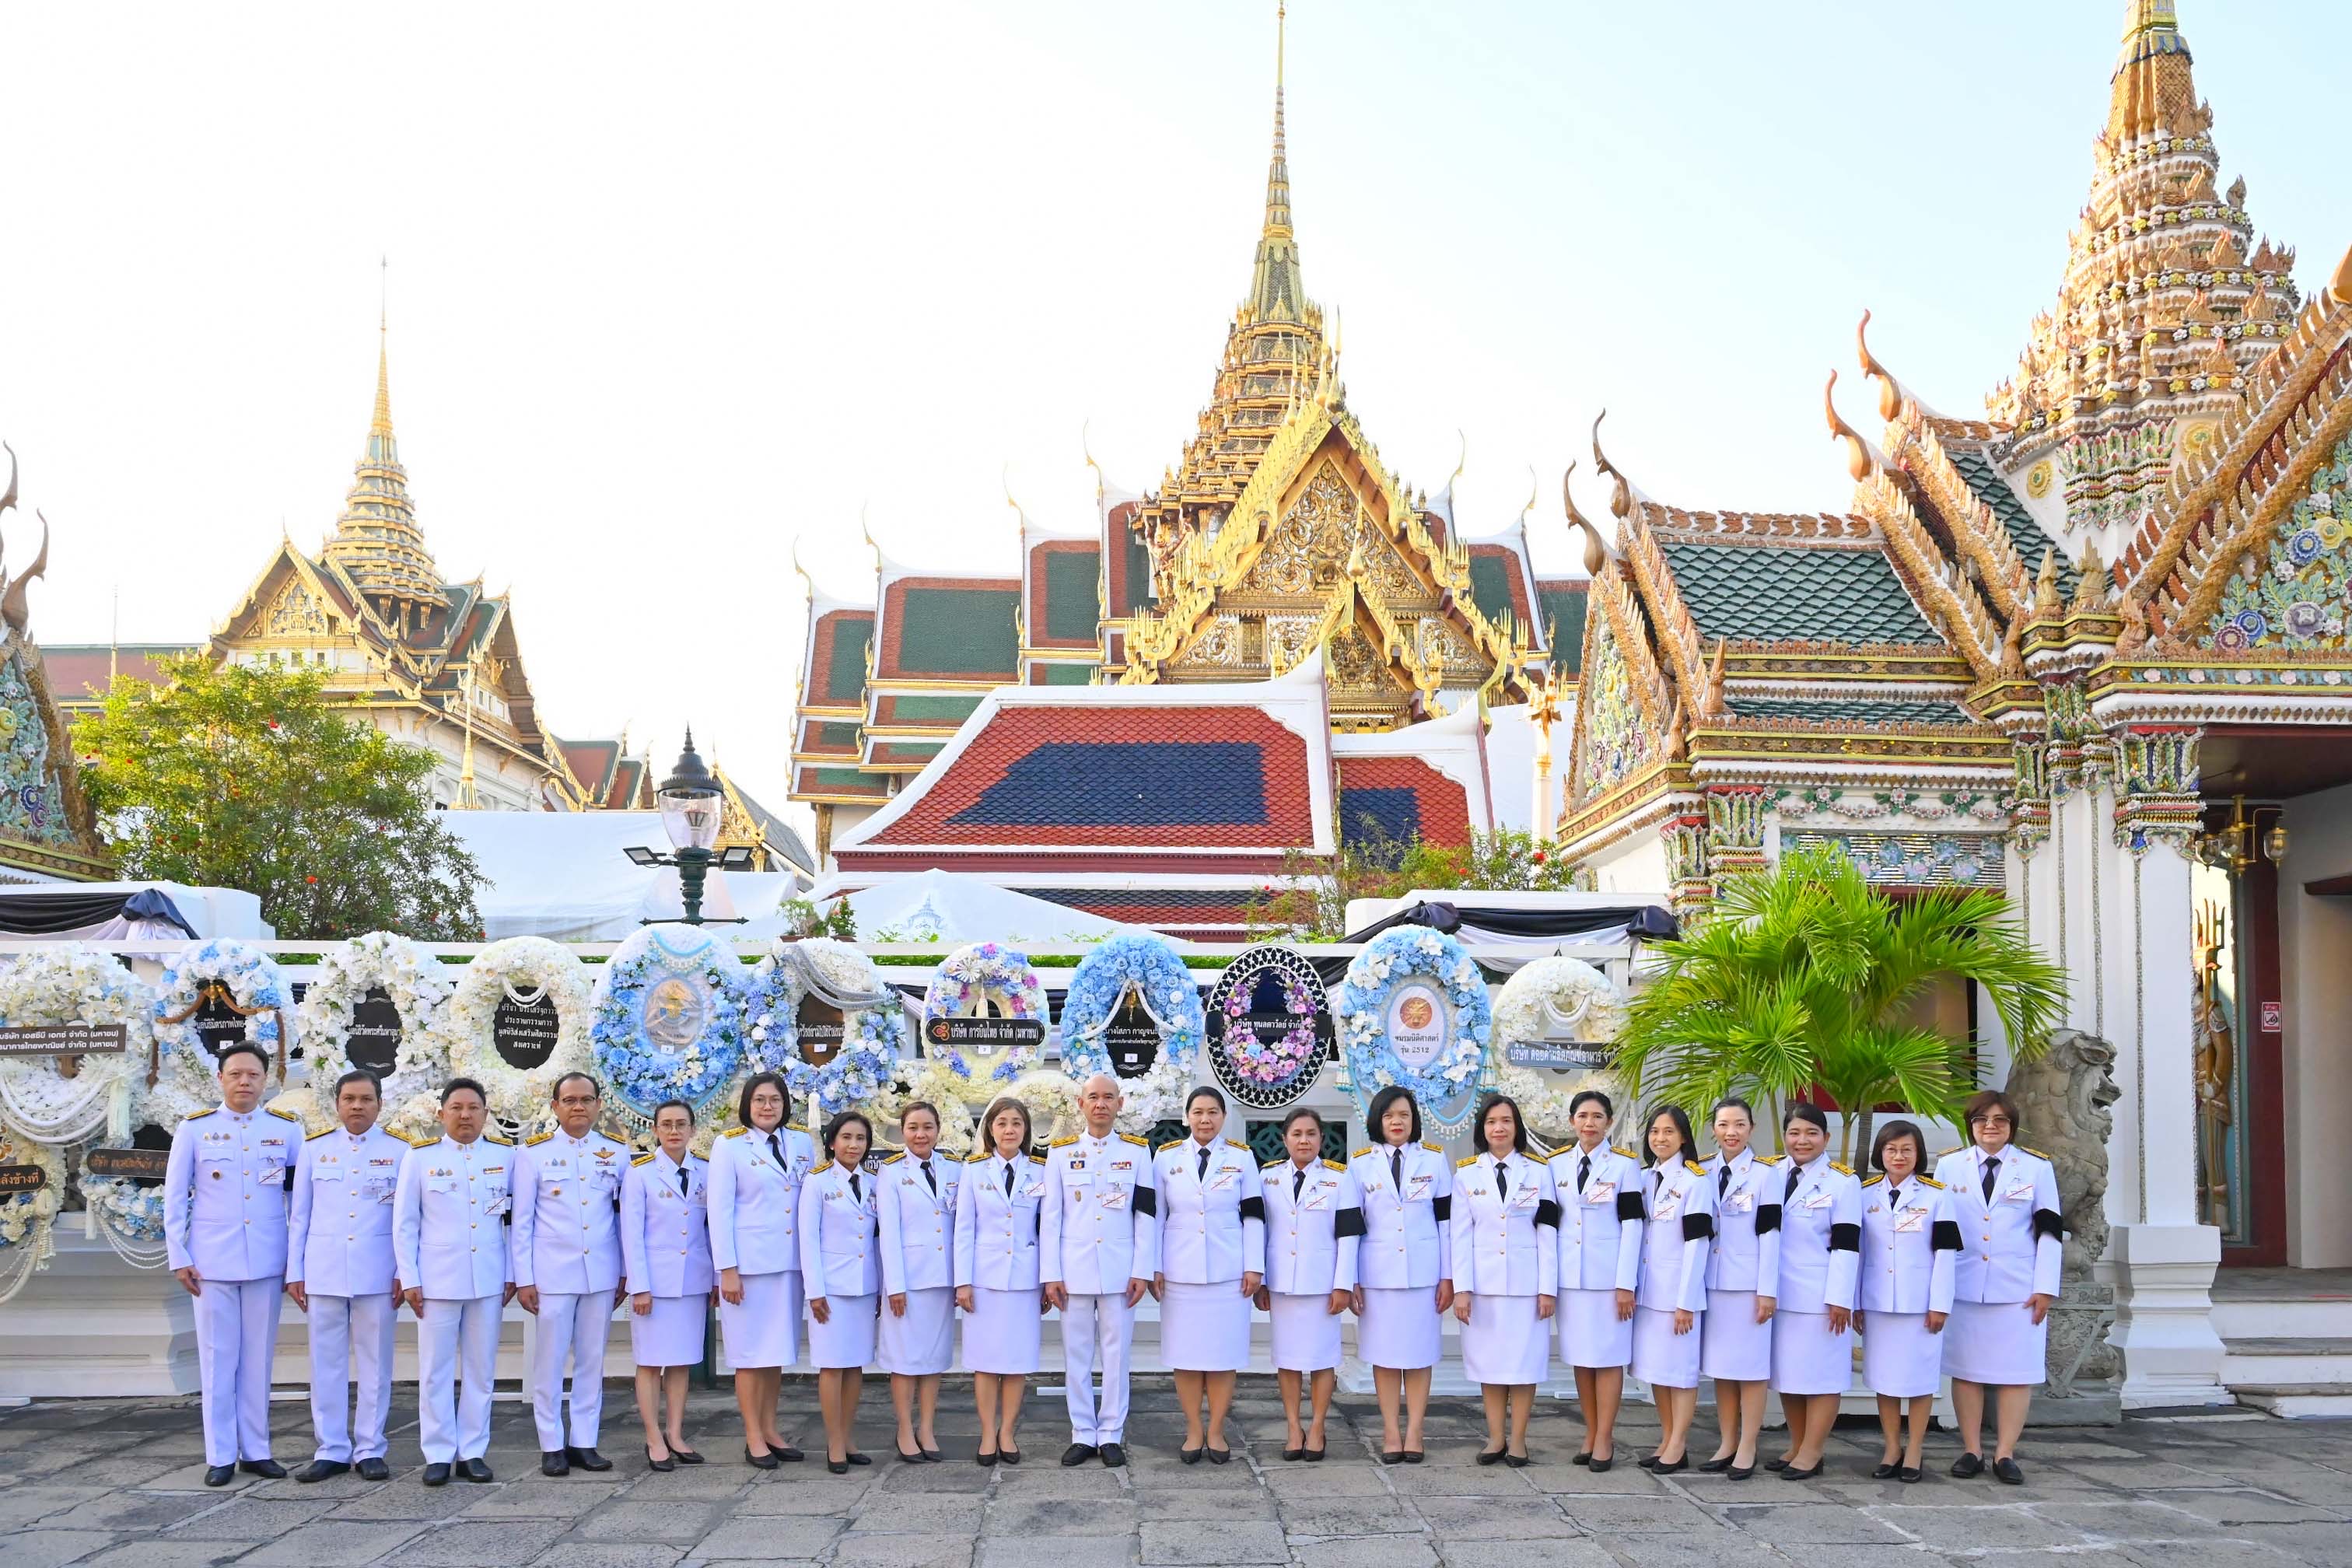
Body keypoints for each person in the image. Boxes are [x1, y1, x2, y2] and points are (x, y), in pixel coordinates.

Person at [166, 1040, 303, 1486]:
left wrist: (295, 1262)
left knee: (258, 1359)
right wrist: (179, 1255)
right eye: (236, 1074)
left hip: (267, 1258)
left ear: (266, 1081)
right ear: (221, 1079)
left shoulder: (286, 1131)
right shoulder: (195, 1130)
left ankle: (257, 1450)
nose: (245, 1082)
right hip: (211, 1263)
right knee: (217, 1358)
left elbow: (298, 1202)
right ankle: (221, 1454)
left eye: (253, 1075)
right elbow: (175, 1197)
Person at [285, 1069, 407, 1483]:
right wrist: (295, 1271)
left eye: (366, 1099)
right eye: (349, 1099)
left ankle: (370, 1447)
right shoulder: (315, 1149)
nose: (358, 1106)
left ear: (380, 1104)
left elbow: (406, 1220)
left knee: (376, 1365)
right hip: (324, 1271)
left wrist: (403, 1271)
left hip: (378, 1272)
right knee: (326, 1365)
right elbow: (299, 1216)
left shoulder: (400, 1150)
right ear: (337, 1104)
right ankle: (332, 1448)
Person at [1934, 1090, 2061, 1486]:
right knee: (1966, 1371)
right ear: (1970, 1126)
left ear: (2012, 1126)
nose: (1990, 1127)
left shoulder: (2036, 1168)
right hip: (1964, 1285)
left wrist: (2045, 1287)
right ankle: (1971, 1449)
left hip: (2018, 1289)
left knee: (2015, 1373)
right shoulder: (1949, 1166)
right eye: (1982, 1120)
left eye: (2000, 1120)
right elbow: (1938, 1230)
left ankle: (2005, 1453)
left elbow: (2050, 1230)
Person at [394, 1077, 516, 1486]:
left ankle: (473, 1451)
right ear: (441, 1113)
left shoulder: (505, 1156)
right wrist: (409, 1277)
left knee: (481, 1370)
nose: (465, 1115)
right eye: (457, 1108)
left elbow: (514, 1222)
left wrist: (512, 1274)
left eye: (473, 1108)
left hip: (488, 1279)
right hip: (437, 1282)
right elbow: (405, 1224)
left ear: (485, 1113)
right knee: (435, 1371)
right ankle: (439, 1452)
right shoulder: (420, 1158)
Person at [510, 1071, 629, 1476]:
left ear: (598, 1105)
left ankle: (584, 1441)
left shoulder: (616, 1152)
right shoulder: (533, 1154)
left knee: (592, 1360)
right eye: (570, 1100)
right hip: (552, 1275)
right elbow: (522, 1222)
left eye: (586, 1099)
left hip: (600, 1273)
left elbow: (623, 1218)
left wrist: (625, 1272)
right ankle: (551, 1443)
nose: (579, 1107)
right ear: (555, 1106)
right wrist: (524, 1278)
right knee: (550, 1360)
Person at [1041, 1073, 1158, 1468]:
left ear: (1120, 1104)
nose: (1101, 1104)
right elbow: (1051, 1218)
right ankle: (1081, 1432)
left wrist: (1142, 1269)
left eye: (1109, 1097)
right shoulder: (1061, 1153)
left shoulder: (1137, 1153)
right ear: (1081, 1104)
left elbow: (1145, 1214)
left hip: (1119, 1271)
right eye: (1093, 1097)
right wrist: (1051, 1273)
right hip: (1073, 1272)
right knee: (1075, 1356)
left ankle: (1110, 1433)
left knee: (1116, 1356)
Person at [707, 1071, 815, 1468]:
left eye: (775, 1100)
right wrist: (727, 1269)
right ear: (747, 1105)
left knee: (775, 1353)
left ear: (785, 1104)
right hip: (749, 1268)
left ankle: (771, 1429)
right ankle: (753, 1435)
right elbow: (719, 1211)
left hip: (789, 1264)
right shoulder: (729, 1145)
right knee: (750, 1355)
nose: (767, 1107)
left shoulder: (801, 1142)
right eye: (759, 1100)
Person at [1150, 1085, 1262, 1464]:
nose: (1205, 1119)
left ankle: (1215, 1429)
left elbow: (1253, 1215)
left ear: (1223, 1117)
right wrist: (1154, 1265)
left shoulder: (1242, 1158)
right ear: (1186, 1117)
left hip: (1228, 1272)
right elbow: (1156, 1216)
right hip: (1179, 1272)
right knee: (1185, 1356)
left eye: (1213, 1112)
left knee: (1222, 1356)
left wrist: (1254, 1266)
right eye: (1198, 1112)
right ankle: (1193, 1429)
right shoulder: (1166, 1158)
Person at [1450, 1094, 1557, 1468]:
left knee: (1524, 1366)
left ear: (1517, 1127)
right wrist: (1462, 1290)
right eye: (1492, 1122)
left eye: (1507, 1121)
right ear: (1483, 1129)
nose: (1499, 1128)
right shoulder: (1466, 1174)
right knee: (1490, 1365)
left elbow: (1548, 1232)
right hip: (1484, 1288)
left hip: (1527, 1287)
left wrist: (1548, 1288)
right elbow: (1459, 1236)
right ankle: (1495, 1438)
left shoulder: (1539, 1172)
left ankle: (1519, 1440)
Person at [1347, 1086, 1453, 1465]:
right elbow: (1351, 1226)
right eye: (1389, 1115)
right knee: (1386, 1356)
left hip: (1424, 1275)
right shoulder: (1360, 1164)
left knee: (1420, 1355)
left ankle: (1415, 1431)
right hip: (1378, 1275)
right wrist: (1351, 1279)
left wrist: (1448, 1276)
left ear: (1414, 1120)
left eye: (1404, 1115)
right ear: (1377, 1120)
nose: (1397, 1122)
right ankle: (1391, 1431)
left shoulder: (1435, 1160)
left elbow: (1447, 1223)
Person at [1546, 1088, 1643, 1472]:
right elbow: (1549, 1224)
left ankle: (1605, 1437)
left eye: (1598, 1117)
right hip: (1570, 1279)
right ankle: (1590, 1431)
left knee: (1608, 1359)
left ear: (1609, 1123)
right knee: (1582, 1360)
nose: (1590, 1123)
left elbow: (1632, 1225)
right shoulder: (1554, 1165)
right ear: (1572, 1121)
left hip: (1608, 1281)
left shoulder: (1624, 1166)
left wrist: (1625, 1284)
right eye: (1583, 1116)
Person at [1257, 1107, 1360, 1462]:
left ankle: (1317, 1426)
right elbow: (1261, 1232)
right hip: (1282, 1282)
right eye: (1297, 1134)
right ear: (1285, 1139)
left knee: (1321, 1359)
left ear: (1321, 1138)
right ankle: (1293, 1427)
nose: (1304, 1140)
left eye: (1311, 1133)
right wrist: (1262, 1280)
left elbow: (1349, 1236)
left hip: (1322, 1284)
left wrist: (1343, 1284)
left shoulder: (1339, 1178)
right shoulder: (1267, 1177)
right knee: (1287, 1360)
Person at [1859, 1118, 1958, 1483]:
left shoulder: (1937, 1196)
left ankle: (1914, 1448)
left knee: (1919, 1379)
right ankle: (1891, 1448)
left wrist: (1940, 1304)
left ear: (1918, 1154)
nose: (1898, 1156)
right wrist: (1854, 1302)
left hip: (1920, 1305)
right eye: (1891, 1149)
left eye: (1906, 1150)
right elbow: (1858, 1253)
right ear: (1880, 1153)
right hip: (1878, 1302)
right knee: (1884, 1379)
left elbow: (1946, 1254)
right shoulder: (1864, 1194)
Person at [1768, 1101, 1861, 1482]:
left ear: (1826, 1137)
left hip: (1821, 1297)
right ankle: (1796, 1444)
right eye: (1794, 1133)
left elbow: (1847, 1244)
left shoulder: (1843, 1181)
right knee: (1788, 1375)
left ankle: (1813, 1450)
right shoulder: (1771, 1173)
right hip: (1778, 1293)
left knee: (1822, 1376)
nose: (1802, 1140)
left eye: (1811, 1133)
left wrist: (1840, 1298)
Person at [620, 1097, 712, 1471]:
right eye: (667, 1124)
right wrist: (639, 1286)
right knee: (650, 1362)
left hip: (692, 1281)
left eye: (681, 1124)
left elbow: (711, 1230)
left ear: (692, 1129)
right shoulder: (640, 1173)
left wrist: (716, 1279)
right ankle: (653, 1437)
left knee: (681, 1362)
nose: (674, 1131)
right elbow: (632, 1235)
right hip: (654, 1285)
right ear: (655, 1130)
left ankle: (675, 1434)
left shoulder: (705, 1170)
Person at [956, 1095, 1045, 1465]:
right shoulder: (974, 1171)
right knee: (986, 1361)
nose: (1009, 1130)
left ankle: (1007, 1432)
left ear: (1026, 1130)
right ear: (990, 1130)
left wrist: (1048, 1280)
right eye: (1002, 1123)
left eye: (1016, 1123)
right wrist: (963, 1282)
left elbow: (1047, 1228)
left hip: (1025, 1280)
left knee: (1016, 1361)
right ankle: (986, 1433)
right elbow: (964, 1230)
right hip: (984, 1281)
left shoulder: (1041, 1170)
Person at [1699, 1095, 1781, 1479]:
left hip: (1748, 1286)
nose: (1731, 1132)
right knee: (1723, 1368)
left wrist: (1767, 1290)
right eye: (1723, 1125)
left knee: (1750, 1368)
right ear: (1713, 1129)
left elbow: (1770, 1233)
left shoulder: (1766, 1174)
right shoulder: (1701, 1170)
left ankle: (1748, 1444)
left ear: (1752, 1129)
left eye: (1739, 1125)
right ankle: (1727, 1442)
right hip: (1712, 1282)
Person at [1630, 1104, 1713, 1474]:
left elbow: (1697, 1244)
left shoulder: (1695, 1181)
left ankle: (1679, 1443)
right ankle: (1666, 1439)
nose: (1660, 1138)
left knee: (1680, 1374)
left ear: (1683, 1138)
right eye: (1654, 1131)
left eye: (1668, 1132)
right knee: (1657, 1372)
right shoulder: (1644, 1177)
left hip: (1677, 1295)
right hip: (1649, 1293)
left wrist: (1686, 1302)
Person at [799, 1109, 881, 1474]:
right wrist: (815, 1291)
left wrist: (880, 1287)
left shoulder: (874, 1182)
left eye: (861, 1139)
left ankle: (847, 1438)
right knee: (832, 1366)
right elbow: (808, 1240)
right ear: (832, 1142)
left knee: (855, 1365)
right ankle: (833, 1442)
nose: (853, 1145)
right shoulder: (817, 1182)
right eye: (846, 1137)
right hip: (830, 1290)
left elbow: (877, 1239)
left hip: (863, 1287)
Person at [877, 1101, 960, 1462]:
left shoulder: (955, 1168)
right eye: (913, 1128)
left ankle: (926, 1427)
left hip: (942, 1278)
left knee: (933, 1358)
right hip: (908, 1281)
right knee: (905, 1359)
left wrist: (961, 1279)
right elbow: (888, 1233)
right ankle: (903, 1428)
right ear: (903, 1132)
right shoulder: (891, 1173)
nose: (921, 1134)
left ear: (938, 1130)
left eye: (927, 1127)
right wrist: (894, 1285)